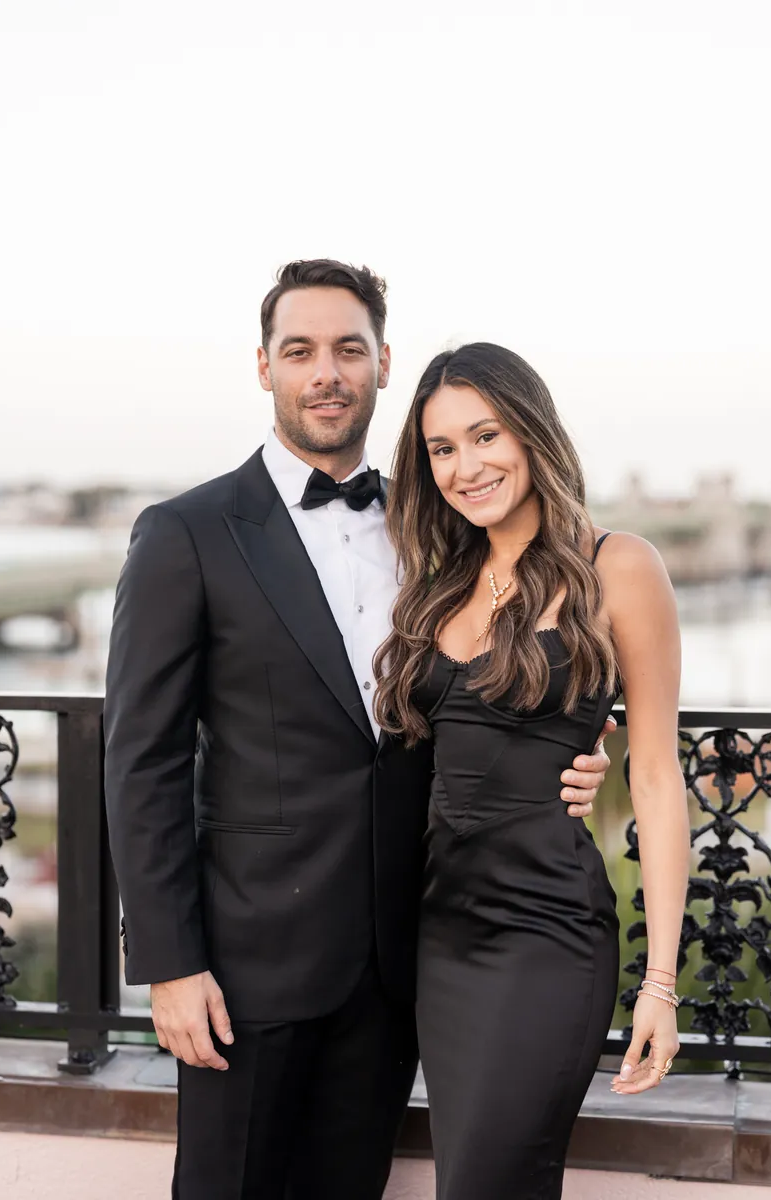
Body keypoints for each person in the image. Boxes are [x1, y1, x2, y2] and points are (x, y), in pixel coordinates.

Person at [103, 263, 615, 1200]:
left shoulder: (438, 533)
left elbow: (497, 681)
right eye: (300, 351)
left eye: (349, 349)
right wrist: (171, 966)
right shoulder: (186, 533)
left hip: (399, 966)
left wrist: (583, 744)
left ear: (384, 362)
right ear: (265, 368)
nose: (326, 372)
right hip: (244, 976)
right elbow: (142, 763)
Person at [374, 342, 691, 1200]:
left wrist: (660, 985)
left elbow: (658, 779)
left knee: (486, 1181)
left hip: (546, 935)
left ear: (532, 431)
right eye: (442, 449)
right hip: (442, 938)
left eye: (485, 436)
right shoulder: (443, 584)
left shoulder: (618, 565)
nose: (465, 466)